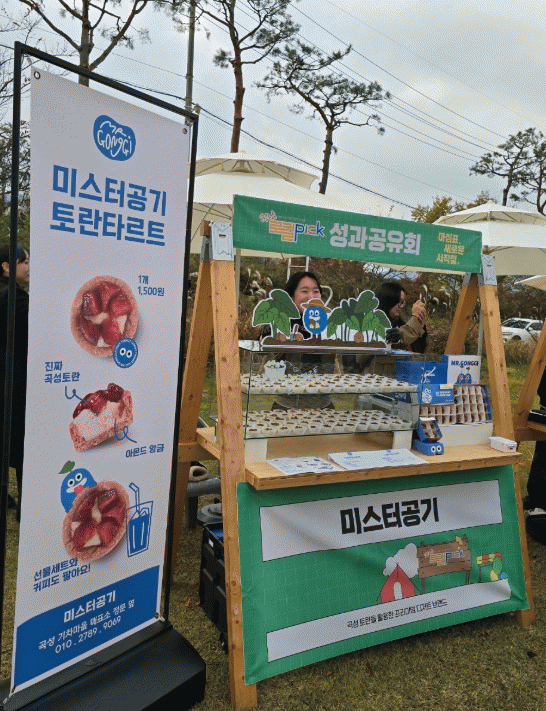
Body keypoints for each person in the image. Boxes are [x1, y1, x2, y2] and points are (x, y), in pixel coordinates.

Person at [261, 271, 334, 410]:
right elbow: (261, 350)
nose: (311, 296)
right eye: (304, 291)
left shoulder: (329, 324)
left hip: (323, 407)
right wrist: (267, 331)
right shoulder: (281, 322)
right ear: (291, 296)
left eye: (316, 291)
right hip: (285, 406)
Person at [0, 244, 30, 516]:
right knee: (22, 443)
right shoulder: (16, 299)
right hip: (16, 380)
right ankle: (25, 505)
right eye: (24, 262)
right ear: (7, 266)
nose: (29, 267)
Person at [376, 281, 427, 353]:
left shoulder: (400, 324)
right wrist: (415, 318)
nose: (401, 306)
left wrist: (420, 322)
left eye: (402, 302)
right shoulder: (374, 325)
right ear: (387, 300)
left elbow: (419, 350)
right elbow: (395, 346)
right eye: (397, 301)